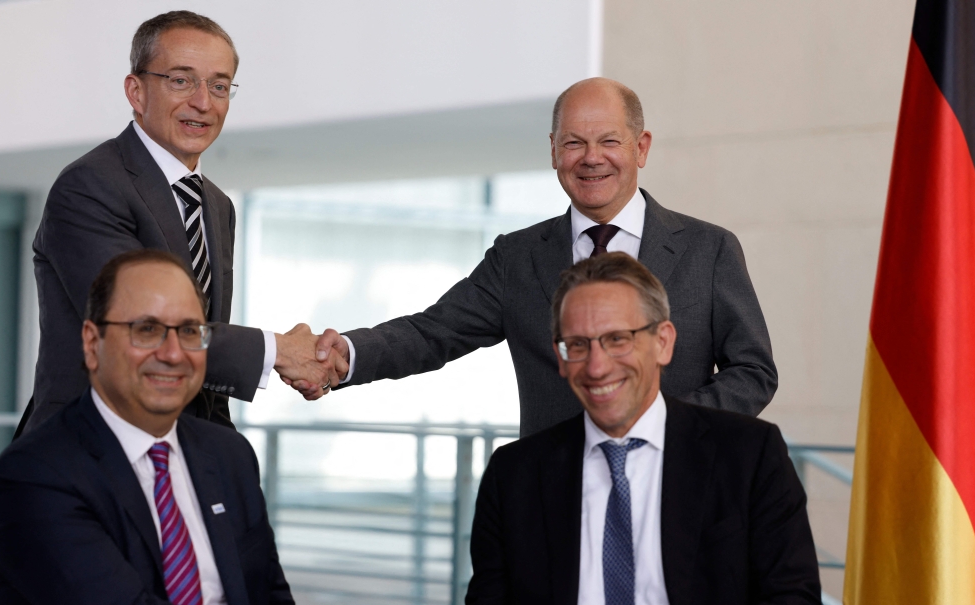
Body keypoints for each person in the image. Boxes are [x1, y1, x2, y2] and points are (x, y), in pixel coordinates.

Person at [305, 77, 776, 437]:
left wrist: (667, 427)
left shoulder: (708, 249)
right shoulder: (517, 257)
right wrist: (344, 355)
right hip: (555, 496)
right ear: (553, 151)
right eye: (574, 142)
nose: (591, 158)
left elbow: (753, 371)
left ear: (641, 147)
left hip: (680, 483)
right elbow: (432, 332)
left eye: (609, 141)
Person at [24, 10, 336, 435]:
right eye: (181, 80)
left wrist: (225, 455)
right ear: (136, 92)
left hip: (184, 451)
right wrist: (277, 350)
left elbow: (204, 338)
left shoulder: (217, 204)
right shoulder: (89, 186)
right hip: (89, 452)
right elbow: (141, 328)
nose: (203, 102)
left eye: (219, 85)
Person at [465, 252, 820, 604]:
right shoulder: (513, 475)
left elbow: (791, 597)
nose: (597, 367)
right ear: (560, 358)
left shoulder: (750, 456)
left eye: (617, 339)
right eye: (577, 345)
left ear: (663, 343)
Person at [0, 249, 294, 605]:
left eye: (190, 331)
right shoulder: (34, 475)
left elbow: (271, 595)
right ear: (91, 342)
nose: (174, 354)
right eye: (147, 330)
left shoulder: (230, 454)